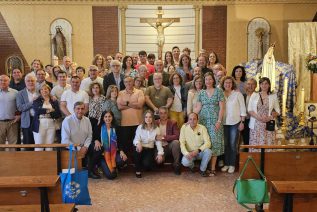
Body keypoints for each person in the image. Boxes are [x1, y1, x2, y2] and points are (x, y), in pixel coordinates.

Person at [194, 72, 224, 176]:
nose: (208, 81)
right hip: (203, 121)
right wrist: (191, 117)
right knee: (205, 143)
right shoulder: (201, 93)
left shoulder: (219, 91)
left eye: (210, 79)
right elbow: (198, 107)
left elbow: (222, 108)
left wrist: (219, 121)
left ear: (213, 80)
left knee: (214, 143)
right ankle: (204, 167)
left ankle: (213, 168)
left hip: (215, 121)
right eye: (206, 79)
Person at [220, 76, 246, 174]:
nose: (228, 84)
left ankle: (232, 164)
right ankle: (226, 163)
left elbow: (243, 109)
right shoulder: (220, 94)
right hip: (223, 123)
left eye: (230, 83)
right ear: (223, 84)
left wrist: (242, 122)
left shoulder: (238, 94)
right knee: (225, 144)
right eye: (226, 83)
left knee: (232, 144)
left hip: (235, 122)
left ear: (232, 84)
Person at [61, 102, 94, 177]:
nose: (80, 111)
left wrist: (85, 147)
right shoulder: (67, 120)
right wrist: (78, 148)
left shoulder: (87, 120)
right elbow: (65, 140)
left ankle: (90, 170)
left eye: (82, 109)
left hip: (84, 147)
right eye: (78, 109)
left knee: (97, 149)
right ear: (74, 109)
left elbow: (89, 135)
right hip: (71, 147)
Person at [248, 77, 280, 152]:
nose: (264, 85)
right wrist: (258, 117)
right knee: (256, 144)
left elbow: (278, 111)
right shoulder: (254, 95)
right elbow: (249, 109)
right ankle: (255, 161)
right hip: (256, 124)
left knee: (268, 144)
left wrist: (270, 117)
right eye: (262, 84)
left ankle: (267, 162)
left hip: (268, 124)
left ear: (269, 85)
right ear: (259, 85)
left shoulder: (273, 96)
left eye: (266, 84)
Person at [93, 111, 127, 180]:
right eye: (105, 117)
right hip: (103, 154)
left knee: (121, 160)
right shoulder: (99, 127)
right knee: (111, 176)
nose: (107, 118)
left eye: (109, 116)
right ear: (103, 118)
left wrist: (121, 151)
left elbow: (120, 141)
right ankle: (101, 166)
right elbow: (93, 137)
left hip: (114, 153)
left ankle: (115, 167)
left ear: (112, 117)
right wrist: (96, 140)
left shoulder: (117, 128)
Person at [117, 76, 145, 156]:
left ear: (133, 82)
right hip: (125, 123)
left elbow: (140, 105)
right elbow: (119, 107)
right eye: (126, 82)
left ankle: (137, 162)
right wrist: (133, 104)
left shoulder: (139, 92)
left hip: (138, 122)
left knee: (138, 144)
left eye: (130, 81)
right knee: (126, 145)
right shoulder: (120, 93)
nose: (128, 83)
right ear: (124, 83)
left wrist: (126, 103)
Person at [179, 112, 212, 177]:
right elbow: (182, 143)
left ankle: (202, 170)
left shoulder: (202, 128)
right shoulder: (184, 128)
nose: (192, 121)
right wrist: (186, 153)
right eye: (190, 119)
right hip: (190, 153)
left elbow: (208, 143)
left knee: (209, 151)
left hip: (200, 152)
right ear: (188, 120)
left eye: (194, 119)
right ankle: (192, 167)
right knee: (185, 162)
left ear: (197, 120)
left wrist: (198, 150)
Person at [133, 110, 164, 178]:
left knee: (147, 164)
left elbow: (158, 142)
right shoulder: (140, 127)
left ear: (152, 118)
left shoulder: (156, 129)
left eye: (150, 117)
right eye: (146, 117)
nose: (148, 119)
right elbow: (136, 139)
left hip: (149, 149)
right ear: (144, 118)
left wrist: (160, 154)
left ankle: (145, 164)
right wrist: (138, 144)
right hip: (140, 147)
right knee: (137, 150)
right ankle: (137, 170)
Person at [32, 84, 61, 151]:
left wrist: (44, 111)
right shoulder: (37, 100)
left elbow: (57, 114)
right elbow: (37, 110)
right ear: (40, 91)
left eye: (45, 89)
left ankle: (49, 161)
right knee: (39, 145)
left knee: (50, 146)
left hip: (51, 123)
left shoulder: (54, 100)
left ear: (49, 90)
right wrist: (49, 110)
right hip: (40, 124)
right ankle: (38, 161)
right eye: (42, 89)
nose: (44, 91)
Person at [155, 107, 181, 175]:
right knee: (158, 162)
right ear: (158, 114)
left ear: (168, 114)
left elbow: (177, 136)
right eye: (161, 113)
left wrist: (163, 137)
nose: (163, 115)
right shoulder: (155, 123)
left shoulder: (173, 122)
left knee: (176, 142)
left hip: (169, 146)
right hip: (159, 147)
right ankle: (161, 161)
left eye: (165, 113)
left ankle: (176, 165)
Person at [16, 74, 39, 149]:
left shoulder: (40, 92)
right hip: (27, 121)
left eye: (32, 81)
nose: (30, 82)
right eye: (28, 81)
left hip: (39, 120)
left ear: (35, 81)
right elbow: (20, 108)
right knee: (28, 144)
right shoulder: (20, 93)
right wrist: (32, 103)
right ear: (25, 82)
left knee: (39, 143)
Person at [0, 75, 19, 150]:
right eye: (1, 80)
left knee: (13, 146)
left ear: (9, 82)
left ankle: (13, 161)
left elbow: (19, 106)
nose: (3, 82)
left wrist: (19, 115)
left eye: (5, 80)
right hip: (0, 123)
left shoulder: (15, 92)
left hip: (12, 123)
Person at [51, 70, 70, 142]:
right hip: (59, 116)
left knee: (68, 135)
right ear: (57, 78)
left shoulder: (70, 87)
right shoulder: (54, 89)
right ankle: (60, 151)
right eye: (60, 77)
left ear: (66, 77)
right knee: (59, 136)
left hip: (68, 114)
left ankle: (68, 151)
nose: (62, 78)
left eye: (63, 77)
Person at [242, 78, 257, 150]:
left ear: (256, 86)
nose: (250, 86)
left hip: (255, 121)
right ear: (246, 85)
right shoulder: (243, 96)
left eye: (252, 84)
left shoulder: (258, 96)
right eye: (248, 84)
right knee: (246, 139)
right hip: (245, 120)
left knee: (255, 139)